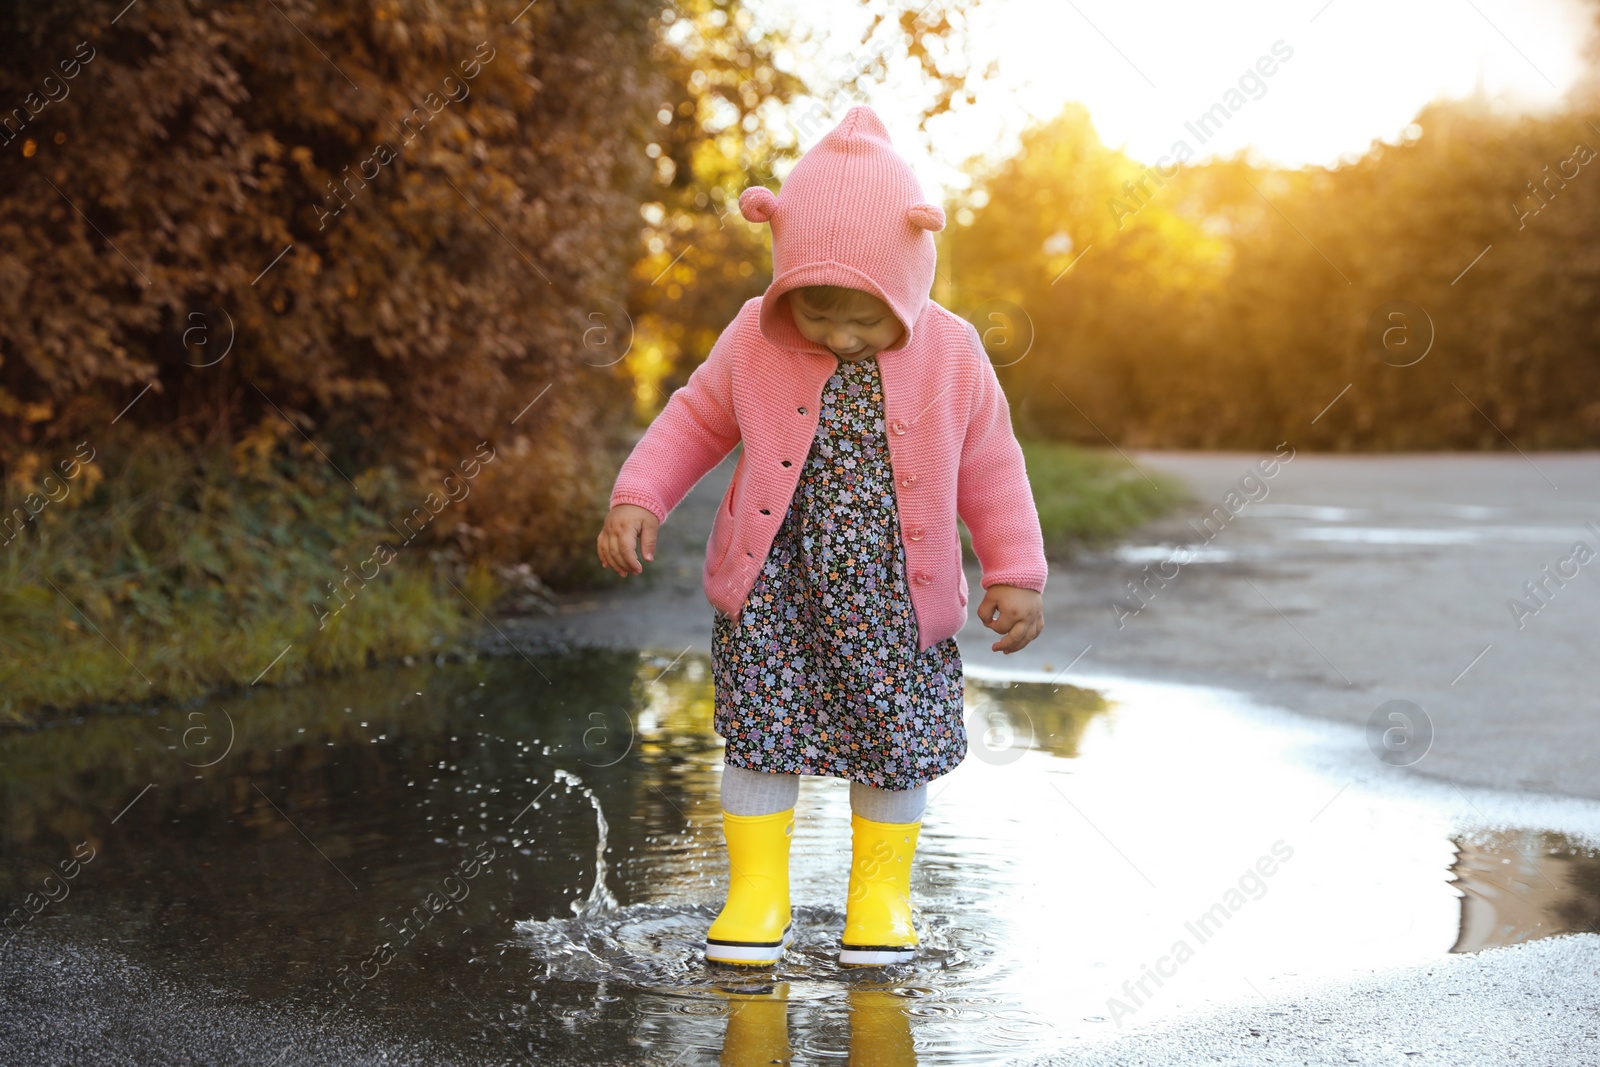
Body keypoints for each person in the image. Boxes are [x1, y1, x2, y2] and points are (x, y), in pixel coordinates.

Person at [596, 105, 1047, 968]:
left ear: (909, 285)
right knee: (763, 727)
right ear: (784, 286)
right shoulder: (753, 338)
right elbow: (694, 418)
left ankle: (879, 899)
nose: (840, 337)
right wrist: (640, 495)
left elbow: (993, 463)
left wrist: (1015, 568)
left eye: (865, 320)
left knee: (894, 740)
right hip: (777, 585)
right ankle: (756, 895)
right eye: (818, 314)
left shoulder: (952, 353)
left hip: (894, 595)